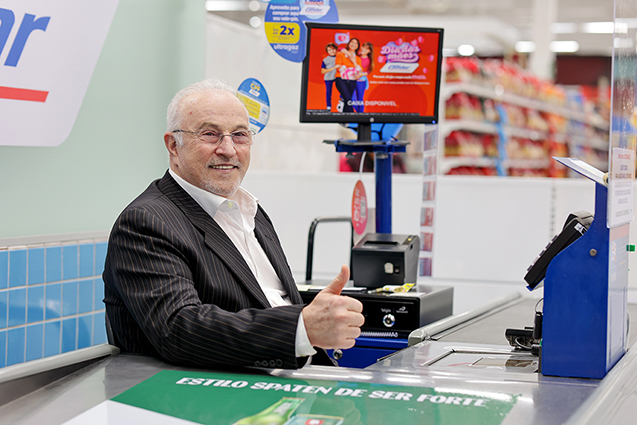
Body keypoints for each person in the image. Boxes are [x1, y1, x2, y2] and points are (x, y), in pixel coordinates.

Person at [103, 79, 364, 369]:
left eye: (240, 135)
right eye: (210, 134)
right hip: (205, 402)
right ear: (173, 145)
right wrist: (301, 329)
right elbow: (180, 329)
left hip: (290, 382)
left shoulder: (249, 211)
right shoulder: (146, 222)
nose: (228, 149)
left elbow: (268, 301)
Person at [334, 38, 362, 113]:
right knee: (348, 100)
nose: (353, 44)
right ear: (349, 43)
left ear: (357, 46)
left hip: (352, 80)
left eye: (356, 43)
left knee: (347, 101)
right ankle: (353, 118)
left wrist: (353, 61)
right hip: (341, 79)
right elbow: (339, 67)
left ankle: (344, 120)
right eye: (352, 42)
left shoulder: (358, 58)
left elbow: (359, 71)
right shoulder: (341, 54)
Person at [352, 42, 374, 113]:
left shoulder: (368, 60)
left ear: (369, 51)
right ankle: (360, 114)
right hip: (352, 79)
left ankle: (360, 115)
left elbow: (368, 71)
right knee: (351, 99)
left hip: (361, 81)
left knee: (360, 100)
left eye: (366, 48)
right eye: (363, 46)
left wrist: (360, 75)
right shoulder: (356, 55)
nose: (363, 49)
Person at [321, 42, 338, 111]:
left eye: (333, 49)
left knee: (343, 90)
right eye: (330, 50)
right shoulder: (325, 60)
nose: (332, 51)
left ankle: (342, 103)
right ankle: (328, 106)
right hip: (328, 77)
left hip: (337, 77)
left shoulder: (339, 57)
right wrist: (333, 68)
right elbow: (322, 71)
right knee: (328, 92)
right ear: (327, 51)